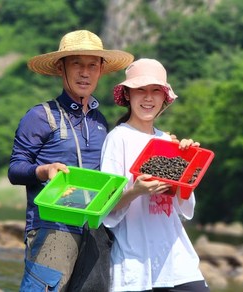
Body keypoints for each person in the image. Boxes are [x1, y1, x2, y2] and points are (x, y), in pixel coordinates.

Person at [8, 29, 134, 291]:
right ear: (61, 68)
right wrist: (43, 171)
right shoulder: (40, 116)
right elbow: (15, 168)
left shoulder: (100, 122)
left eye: (92, 65)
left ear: (101, 70)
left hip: (93, 232)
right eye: (76, 64)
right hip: (51, 229)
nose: (84, 73)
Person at [100, 58, 210, 292]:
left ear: (164, 98)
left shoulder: (168, 142)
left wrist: (189, 163)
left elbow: (182, 205)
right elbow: (105, 206)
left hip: (176, 258)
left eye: (155, 91)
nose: (148, 98)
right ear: (128, 95)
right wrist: (135, 191)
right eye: (141, 90)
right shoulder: (117, 139)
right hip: (135, 260)